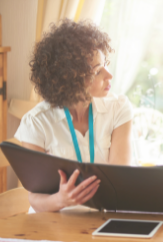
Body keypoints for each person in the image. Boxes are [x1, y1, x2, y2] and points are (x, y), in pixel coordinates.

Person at [14, 19, 133, 213]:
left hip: (102, 218)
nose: (109, 75)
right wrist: (61, 200)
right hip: (54, 222)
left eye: (105, 65)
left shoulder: (118, 108)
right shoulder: (36, 122)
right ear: (69, 79)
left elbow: (120, 180)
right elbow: (36, 199)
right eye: (97, 71)